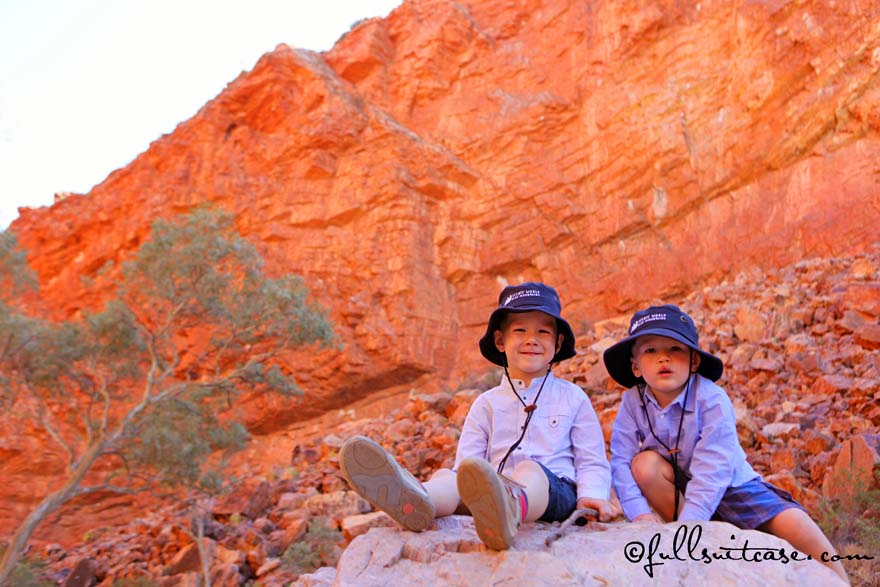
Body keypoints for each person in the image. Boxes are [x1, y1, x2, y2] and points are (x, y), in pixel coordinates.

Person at [339, 282, 616, 550]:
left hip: (552, 493)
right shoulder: (486, 404)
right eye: (520, 330)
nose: (531, 339)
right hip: (491, 495)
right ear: (500, 341)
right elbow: (469, 467)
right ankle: (418, 499)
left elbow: (591, 460)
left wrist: (592, 496)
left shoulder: (573, 397)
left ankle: (509, 508)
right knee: (450, 476)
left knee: (530, 471)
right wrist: (460, 483)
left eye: (543, 332)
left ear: (558, 344)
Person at [604, 304, 848, 582]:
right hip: (679, 485)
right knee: (643, 465)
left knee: (793, 522)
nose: (663, 359)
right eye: (651, 351)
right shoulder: (632, 402)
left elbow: (714, 469)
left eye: (675, 349)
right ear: (635, 366)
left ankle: (838, 577)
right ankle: (699, 542)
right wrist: (638, 513)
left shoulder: (711, 399)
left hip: (731, 486)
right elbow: (620, 458)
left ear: (694, 361)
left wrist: (691, 521)